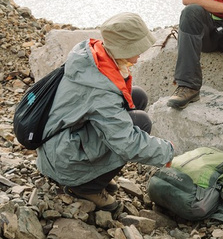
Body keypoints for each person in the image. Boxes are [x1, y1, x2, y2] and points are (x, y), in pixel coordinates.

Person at [37, 12, 173, 203]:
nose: (138, 56)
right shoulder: (100, 88)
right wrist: (169, 153)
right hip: (63, 162)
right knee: (140, 123)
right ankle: (86, 187)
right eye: (136, 50)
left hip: (57, 145)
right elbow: (126, 142)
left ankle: (95, 174)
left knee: (137, 97)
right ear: (123, 49)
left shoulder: (92, 56)